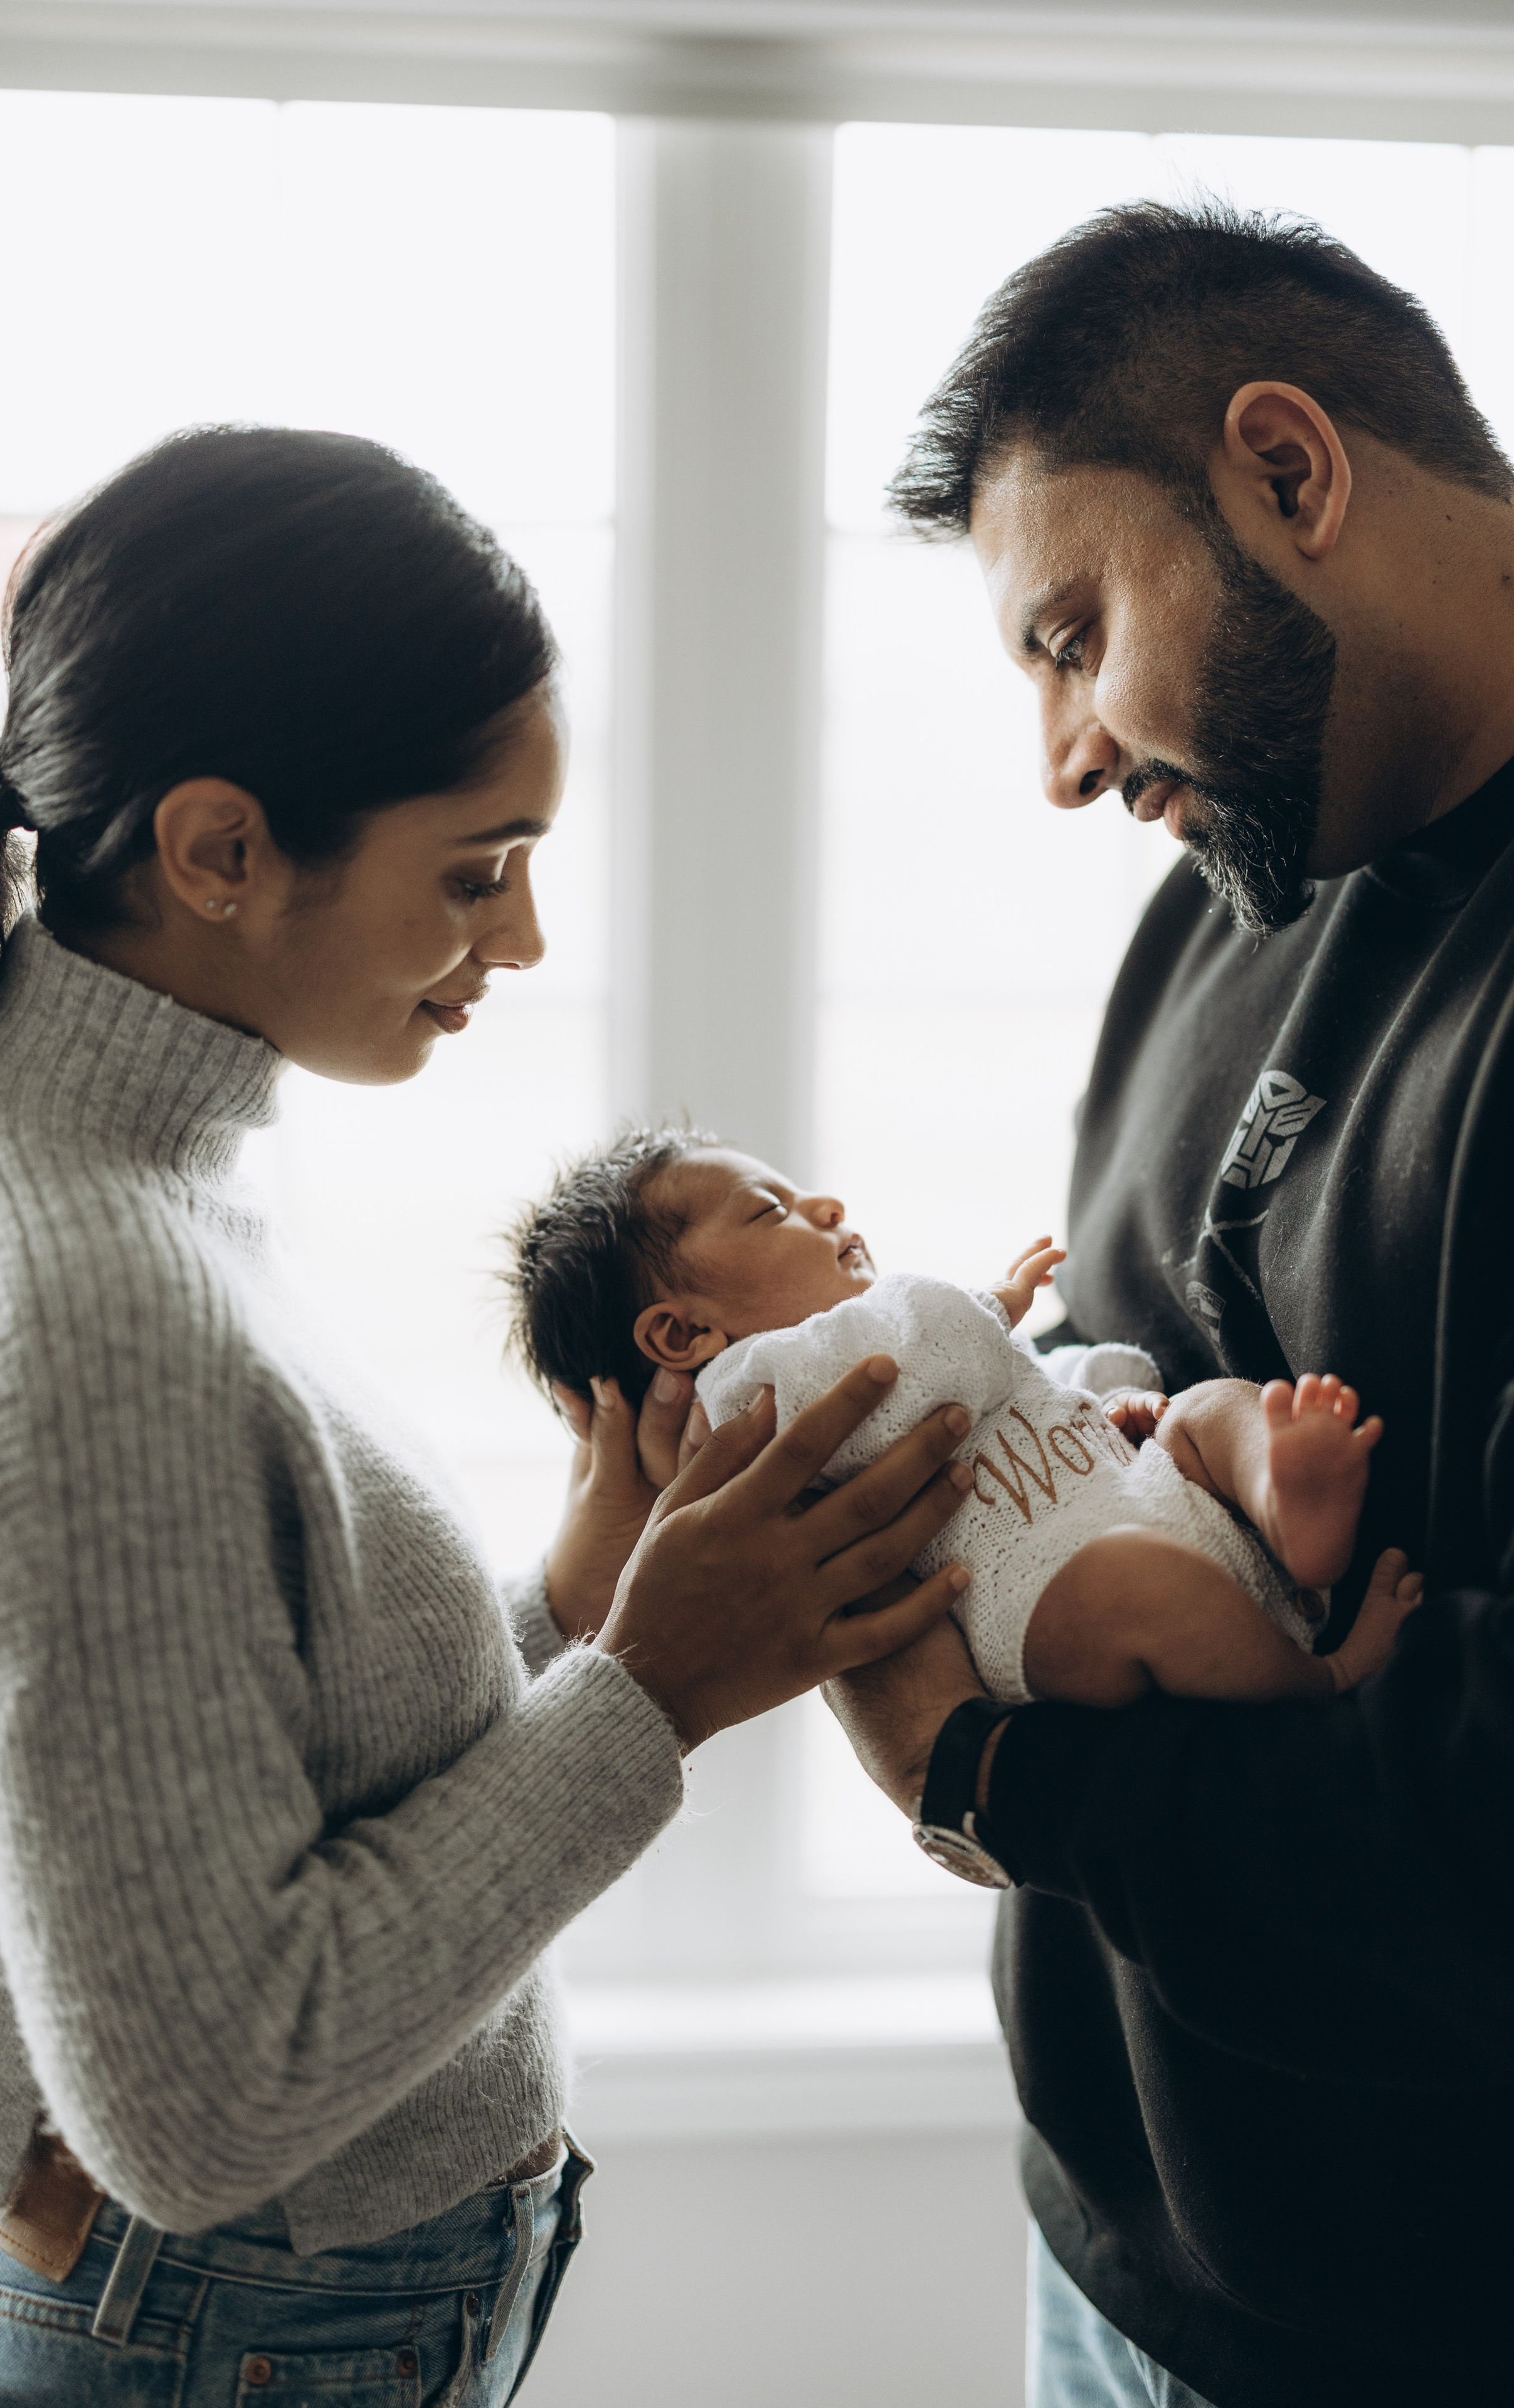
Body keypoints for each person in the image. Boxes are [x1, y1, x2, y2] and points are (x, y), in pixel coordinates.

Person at [0, 425, 975, 2402]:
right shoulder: (87, 1299)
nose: (526, 941)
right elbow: (204, 2109)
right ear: (220, 851)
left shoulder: (112, 1174)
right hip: (229, 2328)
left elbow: (229, 1753)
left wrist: (574, 1607)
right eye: (478, 872)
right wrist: (653, 1688)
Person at [818, 198, 1514, 2408]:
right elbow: (1113, 1398)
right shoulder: (1235, 886)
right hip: (1115, 2242)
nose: (1061, 756)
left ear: (1289, 471)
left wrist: (984, 1769)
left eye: (1073, 634)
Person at [506, 1127, 1419, 1715]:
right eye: (769, 1209)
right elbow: (929, 1364)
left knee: (1209, 1408)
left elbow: (1013, 1388)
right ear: (683, 1334)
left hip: (1132, 1487)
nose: (827, 1207)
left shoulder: (886, 1336)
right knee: (1136, 1582)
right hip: (1045, 1593)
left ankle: (1284, 1503)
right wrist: (997, 1302)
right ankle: (1324, 1679)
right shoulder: (755, 1398)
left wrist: (1110, 1395)